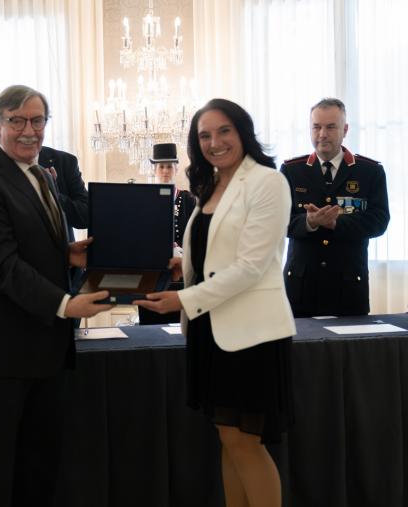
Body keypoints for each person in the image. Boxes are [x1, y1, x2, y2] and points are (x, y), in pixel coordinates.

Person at [0, 84, 112, 507]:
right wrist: (64, 304)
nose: (29, 130)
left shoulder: (40, 174)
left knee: (40, 469)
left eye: (37, 120)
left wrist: (66, 254)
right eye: (16, 120)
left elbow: (29, 243)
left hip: (44, 347)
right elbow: (0, 265)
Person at [135, 98, 296, 507]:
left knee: (246, 444)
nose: (215, 142)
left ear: (243, 131)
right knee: (229, 439)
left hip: (250, 333)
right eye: (204, 135)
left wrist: (183, 298)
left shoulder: (267, 181)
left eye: (224, 130)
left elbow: (251, 267)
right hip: (211, 328)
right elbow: (212, 255)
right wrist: (180, 264)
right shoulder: (210, 185)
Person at [280, 98, 390, 317]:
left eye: (331, 127)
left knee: (349, 351)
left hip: (348, 285)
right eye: (316, 127)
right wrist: (308, 223)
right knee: (299, 350)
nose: (322, 134)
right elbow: (277, 223)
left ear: (345, 129)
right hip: (300, 287)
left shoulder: (369, 171)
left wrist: (337, 223)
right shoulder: (292, 171)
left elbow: (379, 221)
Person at [138, 142, 197, 325]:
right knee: (150, 327)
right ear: (154, 169)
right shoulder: (142, 200)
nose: (165, 171)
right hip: (151, 275)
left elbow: (196, 236)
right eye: (161, 166)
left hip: (181, 275)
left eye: (169, 166)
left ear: (176, 168)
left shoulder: (188, 199)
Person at [38, 146, 89, 240]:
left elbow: (86, 217)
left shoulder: (65, 161)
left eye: (37, 129)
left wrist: (53, 193)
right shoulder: (2, 165)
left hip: (63, 252)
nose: (28, 132)